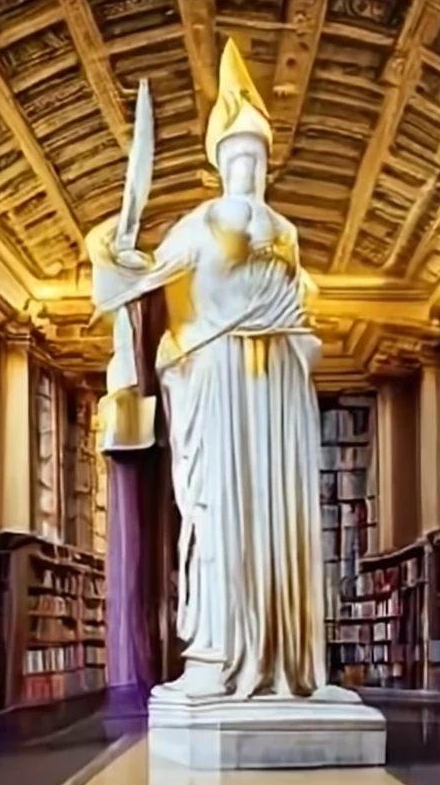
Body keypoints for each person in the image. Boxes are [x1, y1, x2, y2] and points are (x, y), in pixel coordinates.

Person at [86, 40, 332, 701]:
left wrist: (298, 340)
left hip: (277, 384)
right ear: (220, 163)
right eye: (237, 156)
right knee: (220, 514)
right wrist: (116, 254)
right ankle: (221, 651)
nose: (247, 167)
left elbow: (300, 305)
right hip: (217, 381)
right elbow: (148, 282)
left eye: (256, 157)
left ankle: (288, 662)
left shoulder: (285, 231)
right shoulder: (198, 224)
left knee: (279, 521)